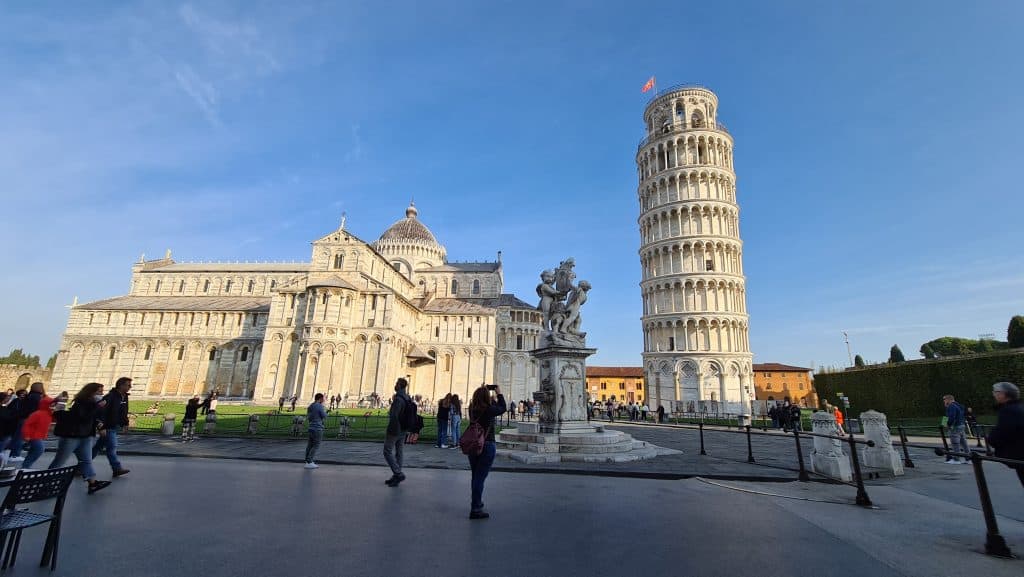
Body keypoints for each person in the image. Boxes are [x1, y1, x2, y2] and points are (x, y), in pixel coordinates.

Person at [49, 382, 111, 494]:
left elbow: (92, 417)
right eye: (99, 391)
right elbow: (82, 417)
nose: (102, 394)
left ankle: (92, 483)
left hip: (85, 435)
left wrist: (99, 423)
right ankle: (46, 484)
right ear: (91, 392)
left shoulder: (93, 403)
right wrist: (98, 407)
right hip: (72, 436)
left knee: (86, 461)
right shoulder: (80, 402)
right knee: (59, 461)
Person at [466, 384, 506, 519]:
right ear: (486, 398)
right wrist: (498, 393)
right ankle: (476, 508)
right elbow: (503, 408)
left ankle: (476, 503)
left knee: (475, 476)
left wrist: (482, 390)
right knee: (480, 477)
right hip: (487, 444)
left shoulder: (472, 409)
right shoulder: (489, 409)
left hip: (473, 445)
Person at [93, 376, 132, 477]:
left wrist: (125, 423)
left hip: (114, 426)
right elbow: (100, 411)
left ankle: (81, 467)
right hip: (108, 426)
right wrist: (101, 426)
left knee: (97, 447)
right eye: (128, 385)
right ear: (121, 385)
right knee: (112, 447)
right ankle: (117, 468)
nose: (130, 387)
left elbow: (124, 411)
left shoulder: (125, 397)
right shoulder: (110, 396)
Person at [987, 382, 1024, 487]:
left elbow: (999, 435)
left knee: (956, 441)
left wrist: (944, 425)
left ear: (1003, 394)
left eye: (995, 392)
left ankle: (955, 459)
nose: (994, 394)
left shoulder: (1008, 411)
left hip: (955, 427)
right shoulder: (1019, 407)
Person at [384, 378, 412, 487]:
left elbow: (394, 415)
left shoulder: (398, 399)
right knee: (399, 452)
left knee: (387, 451)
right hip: (404, 429)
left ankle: (398, 473)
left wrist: (392, 429)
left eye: (396, 383)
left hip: (396, 429)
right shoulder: (407, 397)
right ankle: (397, 475)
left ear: (400, 385)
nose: (395, 385)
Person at [22, 395, 55, 469]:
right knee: (39, 450)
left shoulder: (48, 414)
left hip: (40, 436)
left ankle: (25, 467)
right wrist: (26, 435)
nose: (53, 407)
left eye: (53, 405)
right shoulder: (37, 414)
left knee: (33, 451)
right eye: (51, 405)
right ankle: (26, 466)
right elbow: (27, 424)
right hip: (34, 435)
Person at [943, 394, 969, 464]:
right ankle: (968, 459)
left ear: (949, 399)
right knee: (964, 443)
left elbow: (951, 416)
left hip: (955, 427)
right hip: (961, 425)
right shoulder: (959, 405)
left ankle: (956, 459)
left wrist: (946, 424)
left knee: (955, 443)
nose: (944, 401)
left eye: (944, 399)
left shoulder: (951, 406)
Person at [304, 393, 327, 469]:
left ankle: (307, 461)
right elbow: (324, 416)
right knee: (316, 445)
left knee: (310, 445)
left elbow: (309, 417)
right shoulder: (319, 406)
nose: (323, 400)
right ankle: (310, 461)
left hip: (311, 427)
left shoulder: (310, 406)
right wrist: (326, 412)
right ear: (320, 399)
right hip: (317, 428)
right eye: (323, 398)